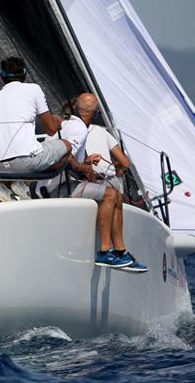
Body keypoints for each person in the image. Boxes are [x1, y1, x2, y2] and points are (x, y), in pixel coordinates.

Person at [60, 94, 146, 272]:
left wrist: (85, 163)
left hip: (73, 180)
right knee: (114, 194)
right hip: (73, 183)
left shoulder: (61, 127)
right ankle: (113, 250)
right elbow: (125, 163)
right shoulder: (86, 130)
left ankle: (117, 251)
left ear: (75, 107)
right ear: (97, 112)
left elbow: (64, 155)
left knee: (113, 194)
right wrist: (88, 167)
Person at [0, 57, 70, 200]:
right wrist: (58, 121)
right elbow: (51, 130)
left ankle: (1, 188)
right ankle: (24, 183)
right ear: (24, 74)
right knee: (67, 145)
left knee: (8, 160)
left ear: (1, 76)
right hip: (25, 163)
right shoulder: (34, 89)